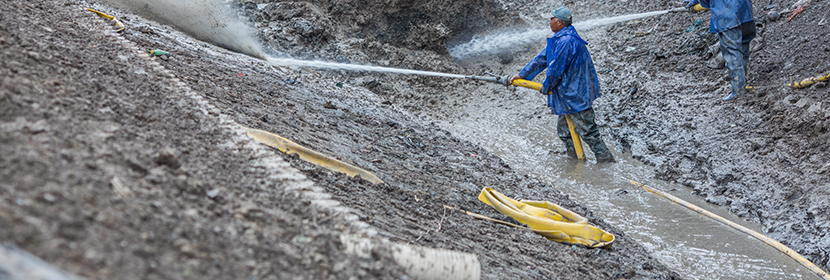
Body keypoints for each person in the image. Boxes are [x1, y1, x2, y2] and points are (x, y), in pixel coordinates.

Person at [509, 7, 615, 163]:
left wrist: (546, 87)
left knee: (589, 132)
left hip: (575, 94)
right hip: (567, 95)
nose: (549, 22)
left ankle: (606, 163)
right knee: (565, 132)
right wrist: (522, 74)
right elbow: (542, 58)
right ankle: (574, 159)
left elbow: (554, 70)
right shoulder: (562, 38)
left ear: (559, 22)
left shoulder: (567, 41)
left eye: (551, 19)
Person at [684, 0, 755, 100]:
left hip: (726, 14)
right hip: (745, 11)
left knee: (732, 52)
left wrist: (697, 2)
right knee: (743, 47)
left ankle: (738, 90)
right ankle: (742, 84)